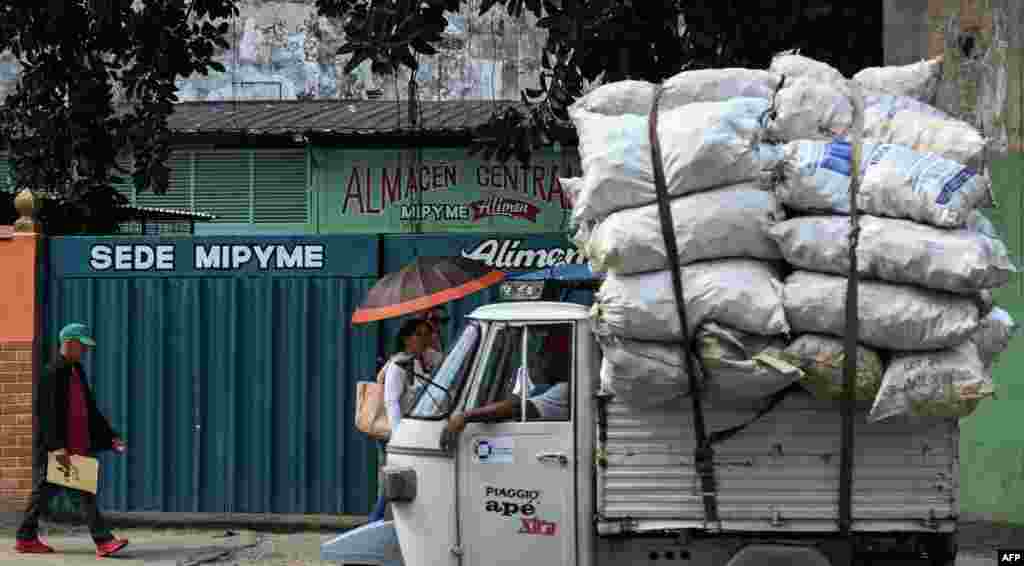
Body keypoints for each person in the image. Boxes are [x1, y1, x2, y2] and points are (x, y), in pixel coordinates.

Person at [15, 323, 129, 557]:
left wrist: (111, 437)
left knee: (47, 494)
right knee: (73, 493)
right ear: (69, 343)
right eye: (82, 346)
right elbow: (46, 414)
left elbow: (88, 409)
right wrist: (57, 448)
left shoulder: (76, 370)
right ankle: (104, 541)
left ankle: (26, 537)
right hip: (59, 449)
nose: (85, 351)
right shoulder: (52, 372)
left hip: (76, 446)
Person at [367, 318, 441, 523]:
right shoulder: (398, 365)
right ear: (406, 339)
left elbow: (447, 364)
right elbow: (392, 402)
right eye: (419, 334)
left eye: (427, 334)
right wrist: (400, 436)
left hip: (415, 431)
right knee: (392, 483)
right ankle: (375, 522)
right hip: (398, 434)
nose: (424, 338)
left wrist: (434, 342)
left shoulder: (426, 360)